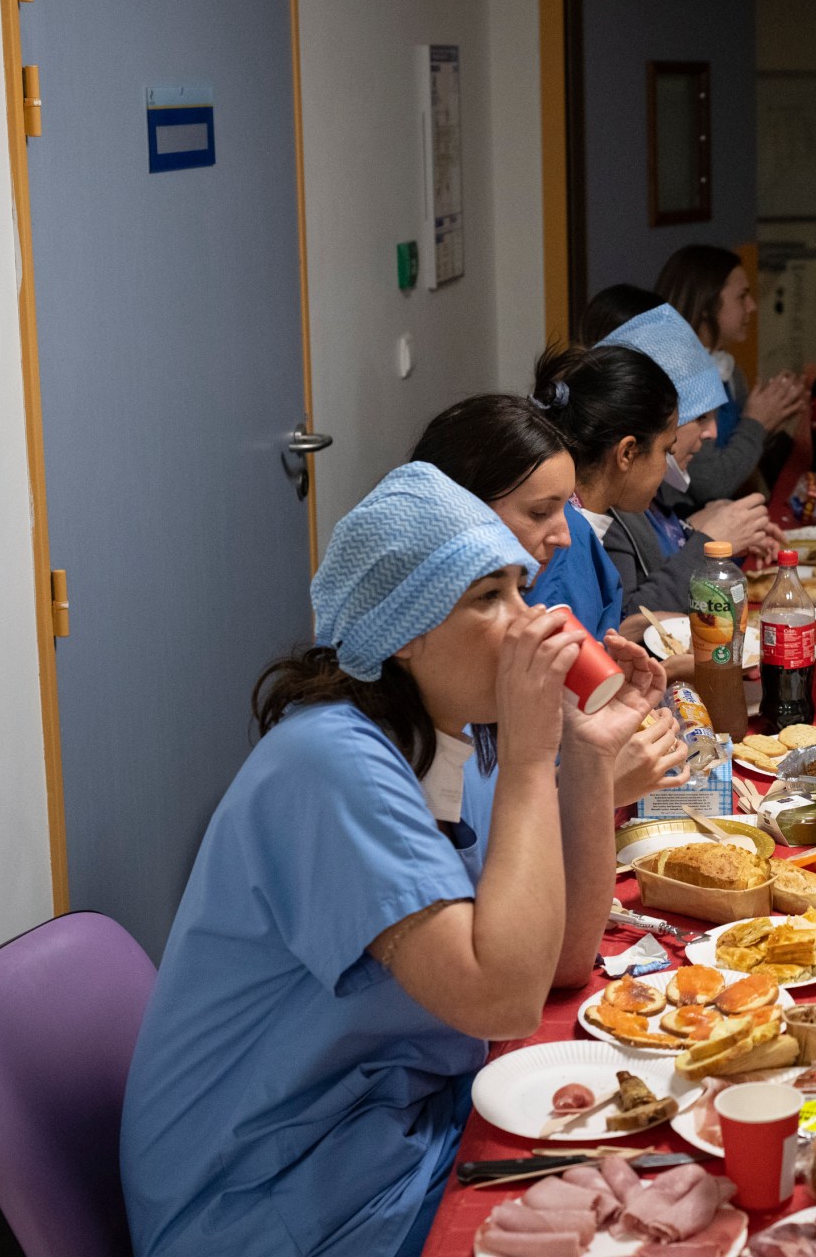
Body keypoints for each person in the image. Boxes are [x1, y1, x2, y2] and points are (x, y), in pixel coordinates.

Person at [121, 463, 667, 1257]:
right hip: (268, 1199)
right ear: (405, 630)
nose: (525, 624)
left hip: (390, 1130)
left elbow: (559, 962)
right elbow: (504, 1001)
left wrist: (583, 760)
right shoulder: (329, 763)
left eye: (520, 589)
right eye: (490, 598)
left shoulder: (457, 736)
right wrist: (528, 758)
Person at [412, 393, 689, 811]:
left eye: (519, 594)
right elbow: (500, 857)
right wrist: (594, 783)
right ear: (459, 512)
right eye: (541, 512)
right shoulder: (417, 723)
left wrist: (591, 752)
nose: (564, 536)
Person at [531, 344, 774, 637]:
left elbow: (604, 634)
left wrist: (633, 630)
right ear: (627, 453)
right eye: (665, 451)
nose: (667, 466)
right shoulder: (566, 541)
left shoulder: (583, 527)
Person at [596, 304, 782, 566]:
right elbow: (636, 606)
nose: (713, 433)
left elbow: (663, 550)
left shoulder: (653, 492)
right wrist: (705, 541)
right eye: (701, 417)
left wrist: (696, 529)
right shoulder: (616, 507)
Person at [655, 245, 806, 502]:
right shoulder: (678, 376)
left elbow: (736, 454)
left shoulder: (727, 368)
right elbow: (710, 485)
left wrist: (769, 424)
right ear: (706, 304)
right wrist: (756, 424)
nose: (752, 306)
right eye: (742, 296)